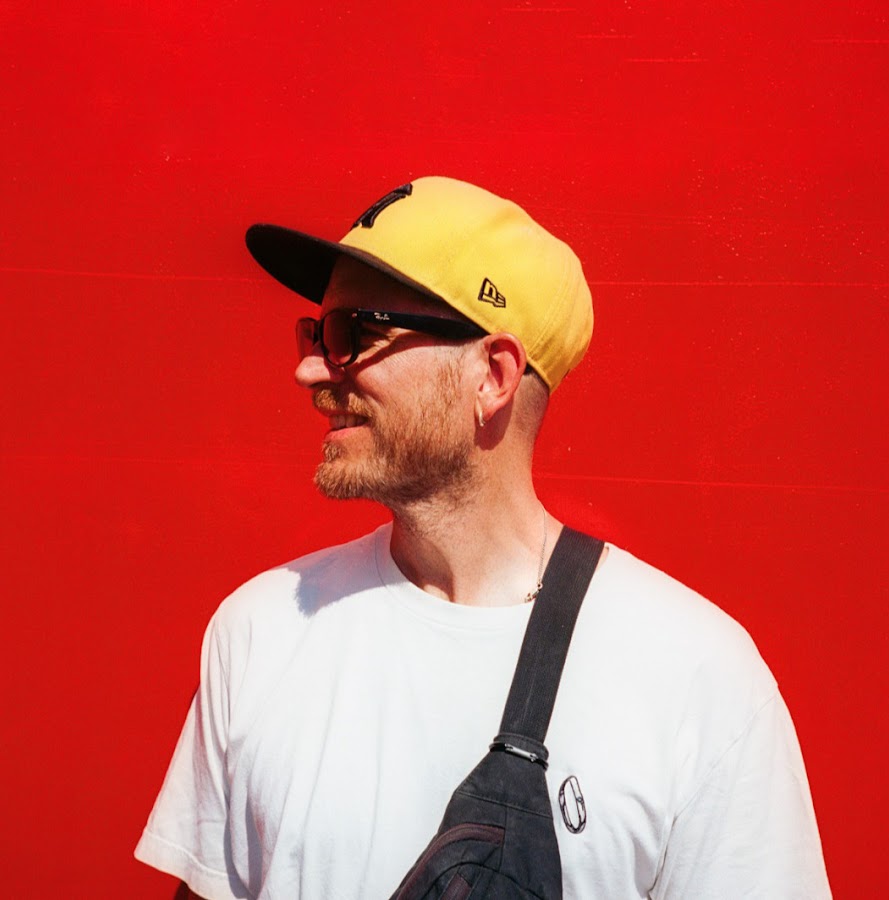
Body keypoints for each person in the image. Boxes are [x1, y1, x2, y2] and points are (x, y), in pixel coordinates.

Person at [135, 176, 831, 899]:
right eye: (315, 334)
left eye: (351, 334)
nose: (309, 368)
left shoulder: (695, 676)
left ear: (493, 375)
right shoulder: (260, 630)